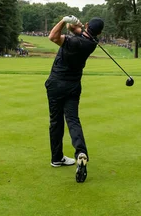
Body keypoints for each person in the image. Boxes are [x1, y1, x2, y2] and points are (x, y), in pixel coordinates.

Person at [45, 15, 104, 183]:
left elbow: (53, 37)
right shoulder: (92, 42)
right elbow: (76, 31)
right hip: (73, 86)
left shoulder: (74, 42)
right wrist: (74, 25)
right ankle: (80, 152)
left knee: (56, 121)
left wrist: (64, 21)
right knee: (72, 120)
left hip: (56, 84)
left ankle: (57, 158)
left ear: (87, 25)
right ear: (99, 32)